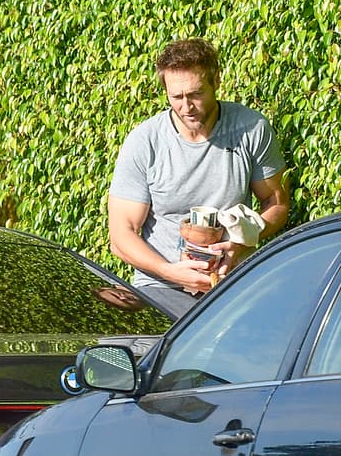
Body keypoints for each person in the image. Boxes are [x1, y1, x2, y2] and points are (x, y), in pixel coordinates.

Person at [107, 38, 290, 315]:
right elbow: (121, 235)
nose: (186, 107)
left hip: (233, 283)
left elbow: (276, 203)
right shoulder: (145, 142)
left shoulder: (251, 129)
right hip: (160, 289)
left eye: (195, 94)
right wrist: (170, 272)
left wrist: (241, 243)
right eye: (176, 97)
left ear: (216, 81)